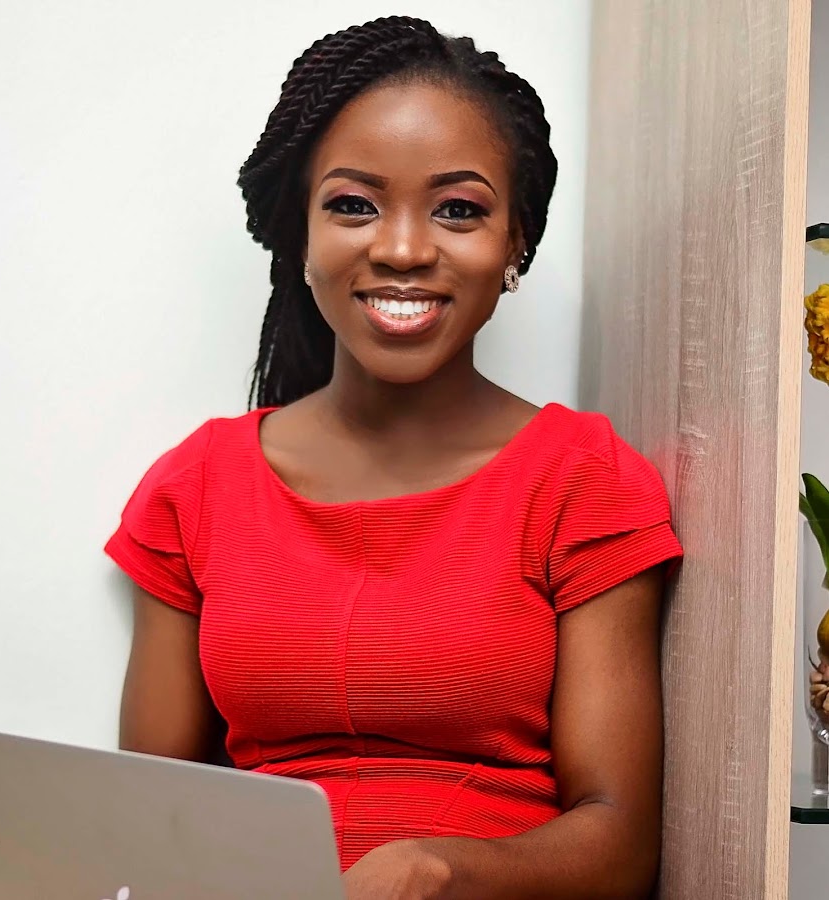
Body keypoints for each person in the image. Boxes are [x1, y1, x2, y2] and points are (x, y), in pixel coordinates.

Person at [105, 16, 683, 900]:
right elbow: (149, 818)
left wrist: (437, 869)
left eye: (458, 209)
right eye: (353, 204)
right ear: (299, 234)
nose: (404, 249)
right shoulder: (196, 486)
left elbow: (620, 844)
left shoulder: (584, 479)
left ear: (516, 241)